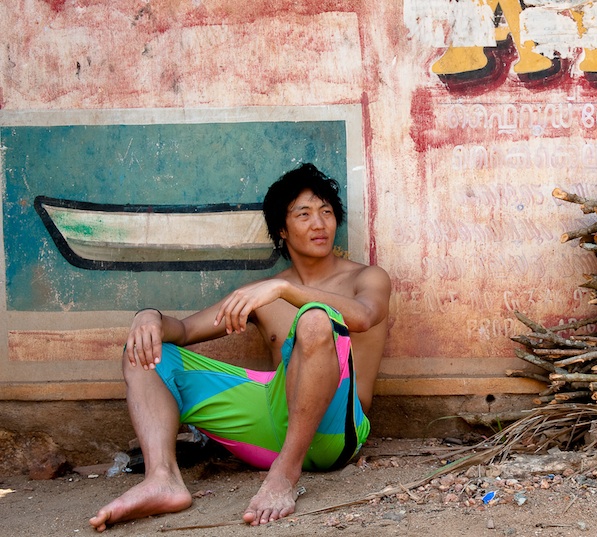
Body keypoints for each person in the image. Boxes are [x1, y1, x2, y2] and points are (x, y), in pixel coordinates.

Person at [90, 163, 391, 531]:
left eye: (327, 213)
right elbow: (184, 330)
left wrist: (284, 291)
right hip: (271, 421)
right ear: (282, 229)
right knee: (147, 351)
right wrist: (148, 317)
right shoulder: (263, 292)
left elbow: (362, 316)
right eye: (304, 214)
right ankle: (162, 479)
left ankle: (284, 475)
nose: (319, 224)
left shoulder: (366, 277)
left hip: (335, 431)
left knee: (315, 318)